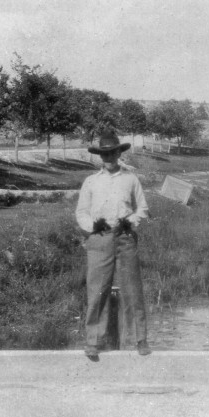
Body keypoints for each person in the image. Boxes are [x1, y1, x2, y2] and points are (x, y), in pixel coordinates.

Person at [75, 131, 151, 362]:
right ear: (100, 156)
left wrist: (132, 221)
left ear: (119, 153)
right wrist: (91, 226)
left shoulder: (131, 179)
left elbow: (143, 209)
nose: (108, 157)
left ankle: (140, 339)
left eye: (112, 152)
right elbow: (81, 212)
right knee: (98, 289)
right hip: (100, 238)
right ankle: (93, 342)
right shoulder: (91, 181)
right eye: (104, 154)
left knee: (132, 288)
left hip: (125, 237)